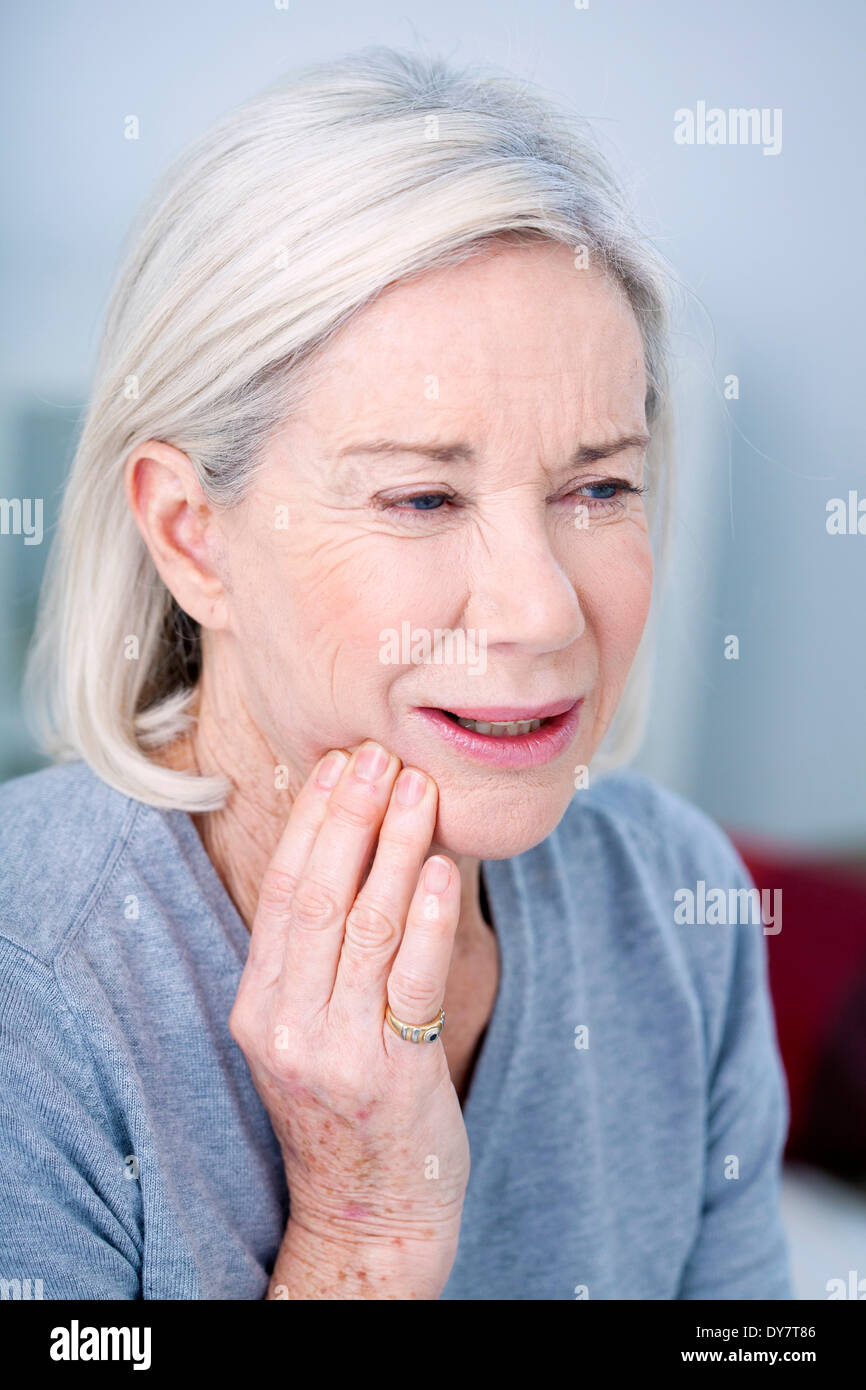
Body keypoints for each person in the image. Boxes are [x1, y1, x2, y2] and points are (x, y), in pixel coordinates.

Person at [0, 46, 793, 1299]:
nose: (540, 610)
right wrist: (366, 1226)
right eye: (421, 495)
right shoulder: (27, 991)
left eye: (598, 486)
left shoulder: (678, 903)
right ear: (189, 533)